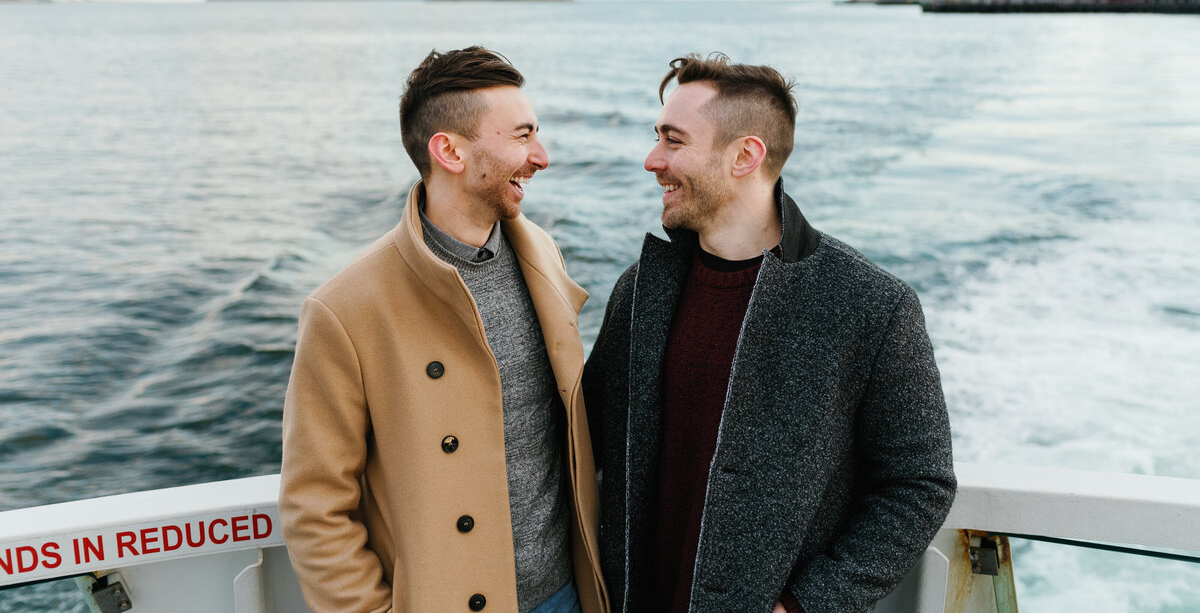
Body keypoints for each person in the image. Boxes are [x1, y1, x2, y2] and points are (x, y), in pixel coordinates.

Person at [582, 54, 956, 613]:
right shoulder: (641, 289)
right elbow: (583, 439)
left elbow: (919, 483)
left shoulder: (871, 305)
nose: (651, 160)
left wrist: (806, 606)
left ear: (745, 156)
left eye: (673, 140)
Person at [280, 46, 608, 613]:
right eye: (522, 135)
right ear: (450, 151)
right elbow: (314, 503)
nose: (542, 156)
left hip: (567, 593)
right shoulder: (346, 309)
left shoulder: (542, 255)